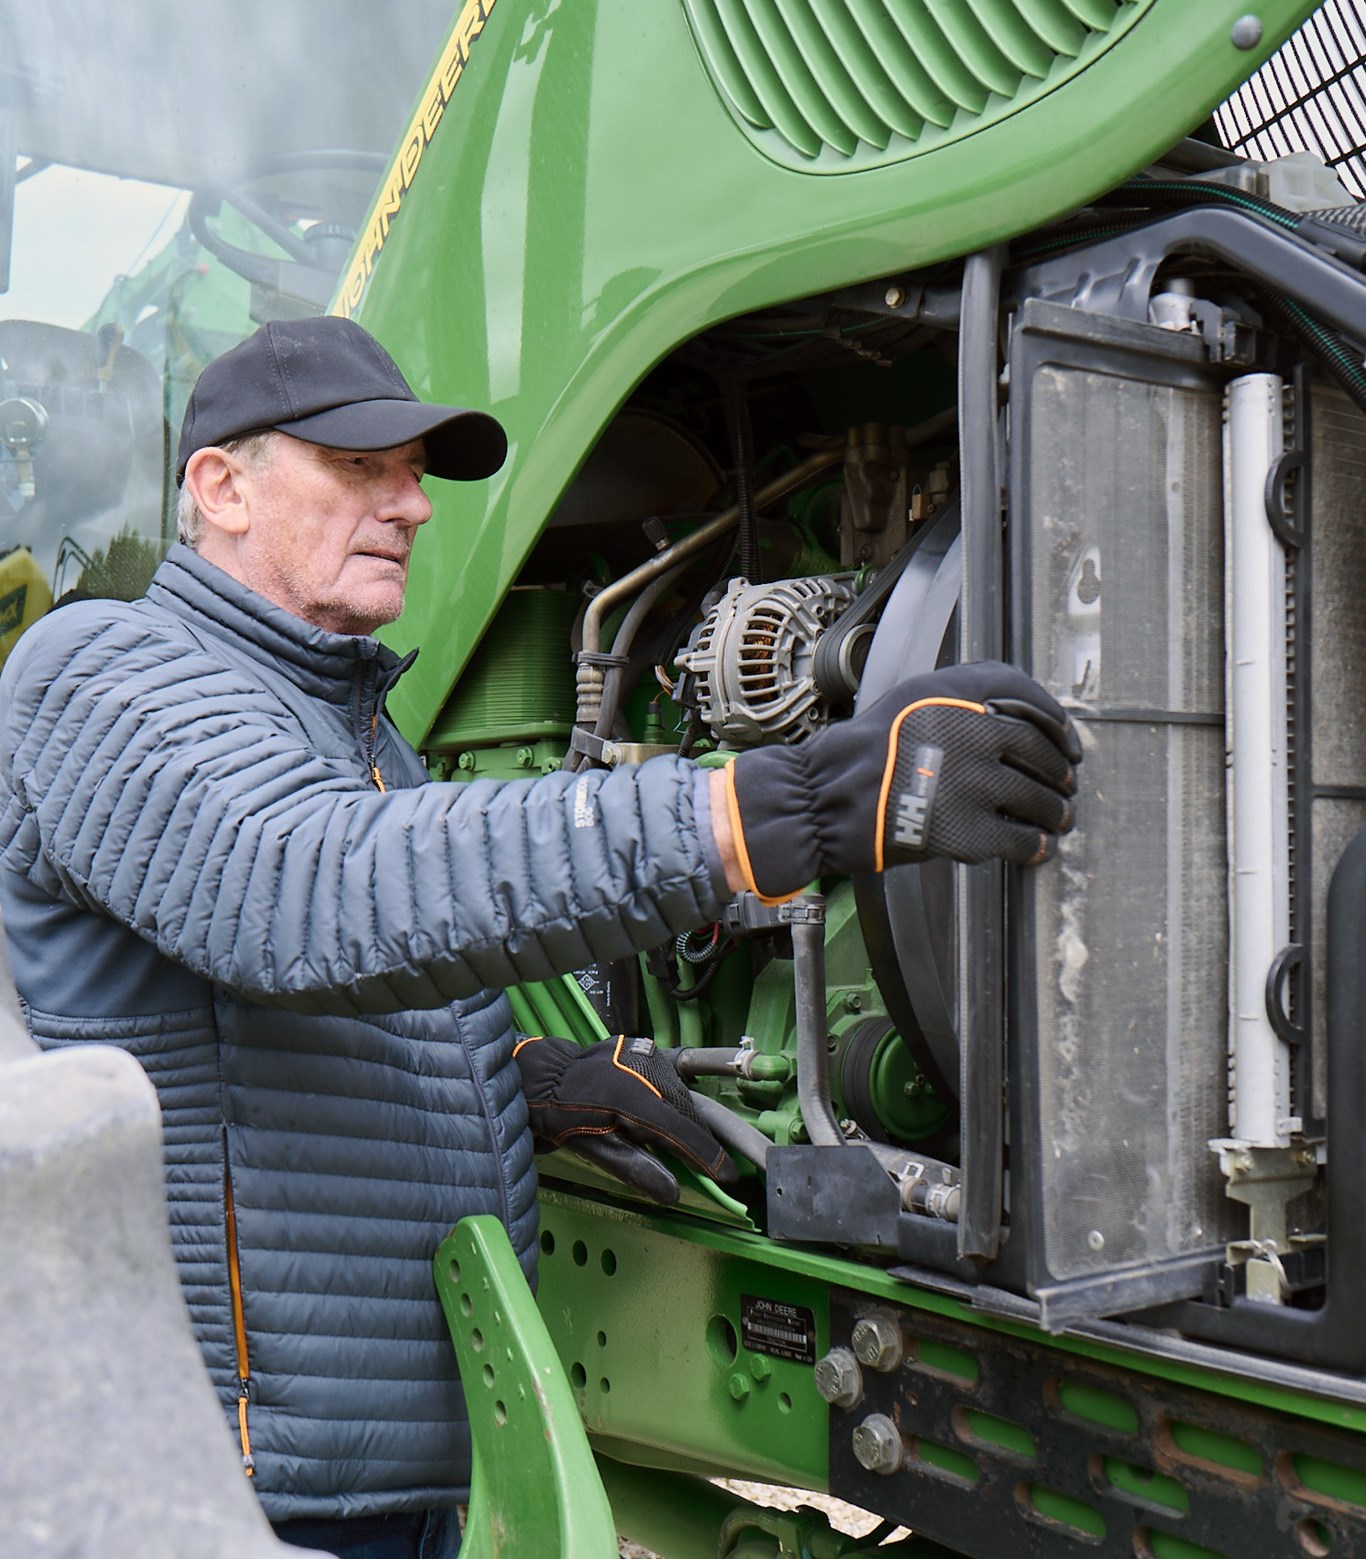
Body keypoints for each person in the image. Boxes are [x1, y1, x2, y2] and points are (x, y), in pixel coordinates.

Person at [0, 316, 1080, 1557]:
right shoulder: (99, 668)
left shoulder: (352, 730)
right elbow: (307, 895)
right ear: (219, 487)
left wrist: (523, 1081)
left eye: (413, 473)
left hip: (392, 1476)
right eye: (358, 468)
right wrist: (767, 807)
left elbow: (279, 1020)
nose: (407, 505)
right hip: (231, 1484)